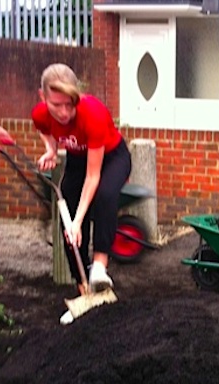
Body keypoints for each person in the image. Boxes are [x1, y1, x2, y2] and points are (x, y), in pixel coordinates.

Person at [32, 63, 132, 323]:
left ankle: (99, 266)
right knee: (69, 224)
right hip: (77, 160)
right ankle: (85, 294)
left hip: (111, 158)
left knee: (104, 195)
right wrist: (51, 150)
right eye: (57, 105)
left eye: (70, 104)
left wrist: (79, 220)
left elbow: (93, 176)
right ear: (43, 98)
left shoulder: (93, 113)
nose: (64, 112)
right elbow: (44, 130)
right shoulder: (40, 114)